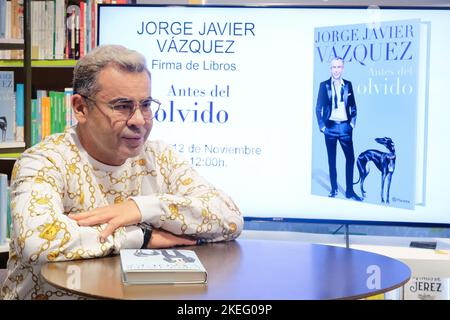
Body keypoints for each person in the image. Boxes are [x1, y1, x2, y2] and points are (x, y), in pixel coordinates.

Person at [1, 45, 243, 300]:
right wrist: (143, 236)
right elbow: (38, 240)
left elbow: (230, 218)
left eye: (146, 104)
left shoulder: (161, 157)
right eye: (122, 106)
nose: (139, 120)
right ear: (80, 108)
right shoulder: (43, 162)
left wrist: (142, 208)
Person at [315, 56, 362, 201]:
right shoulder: (324, 85)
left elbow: (353, 106)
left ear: (343, 68)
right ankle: (334, 189)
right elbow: (318, 108)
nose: (336, 70)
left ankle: (349, 191)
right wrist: (322, 126)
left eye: (339, 67)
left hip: (345, 127)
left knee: (350, 159)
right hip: (330, 127)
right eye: (333, 67)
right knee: (332, 160)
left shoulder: (348, 85)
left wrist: (352, 123)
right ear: (330, 69)